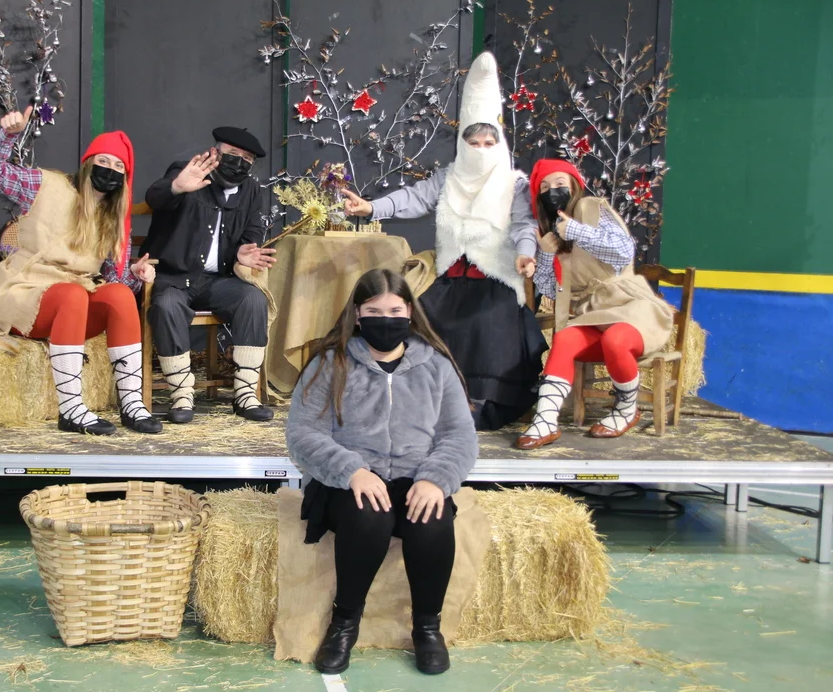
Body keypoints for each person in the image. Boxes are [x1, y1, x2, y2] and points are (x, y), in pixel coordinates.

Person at [286, 268, 478, 676]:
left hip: (415, 477)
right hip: (346, 484)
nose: (385, 320)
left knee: (432, 516)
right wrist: (351, 471)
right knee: (369, 513)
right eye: (374, 311)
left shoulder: (436, 366)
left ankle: (428, 628)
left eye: (395, 311)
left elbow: (459, 436)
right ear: (357, 314)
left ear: (409, 312)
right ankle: (344, 624)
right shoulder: (330, 363)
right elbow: (303, 433)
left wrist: (435, 478)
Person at [342, 52, 547, 430]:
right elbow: (412, 198)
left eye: (489, 142)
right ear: (463, 144)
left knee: (487, 321)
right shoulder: (447, 178)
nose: (481, 149)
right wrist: (370, 208)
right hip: (448, 279)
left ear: (499, 144)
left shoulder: (513, 184)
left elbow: (524, 225)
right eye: (474, 142)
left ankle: (481, 402)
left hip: (495, 281)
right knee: (422, 316)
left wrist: (525, 254)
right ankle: (424, 400)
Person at [0, 106, 160, 436]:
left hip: (74, 304)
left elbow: (114, 280)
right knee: (73, 295)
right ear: (88, 163)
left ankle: (132, 403)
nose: (110, 170)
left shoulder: (113, 218)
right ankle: (71, 409)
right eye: (104, 161)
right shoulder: (44, 185)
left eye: (118, 166)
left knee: (118, 294)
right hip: (28, 294)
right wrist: (7, 135)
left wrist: (134, 273)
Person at [515, 159, 674, 449]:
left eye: (560, 184)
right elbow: (550, 289)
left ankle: (626, 409)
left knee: (616, 339)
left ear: (574, 185)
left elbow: (623, 251)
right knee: (565, 338)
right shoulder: (551, 231)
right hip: (591, 311)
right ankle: (545, 421)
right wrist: (547, 253)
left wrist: (577, 231)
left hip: (629, 303)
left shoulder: (590, 208)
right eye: (545, 187)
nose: (553, 191)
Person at [139, 127, 276, 424]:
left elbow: (253, 230)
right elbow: (155, 198)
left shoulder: (251, 190)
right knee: (166, 305)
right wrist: (177, 187)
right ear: (215, 152)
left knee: (253, 299)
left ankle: (245, 395)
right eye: (233, 154)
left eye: (247, 158)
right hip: (174, 276)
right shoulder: (188, 171)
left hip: (218, 281)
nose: (240, 161)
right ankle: (181, 395)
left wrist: (242, 253)